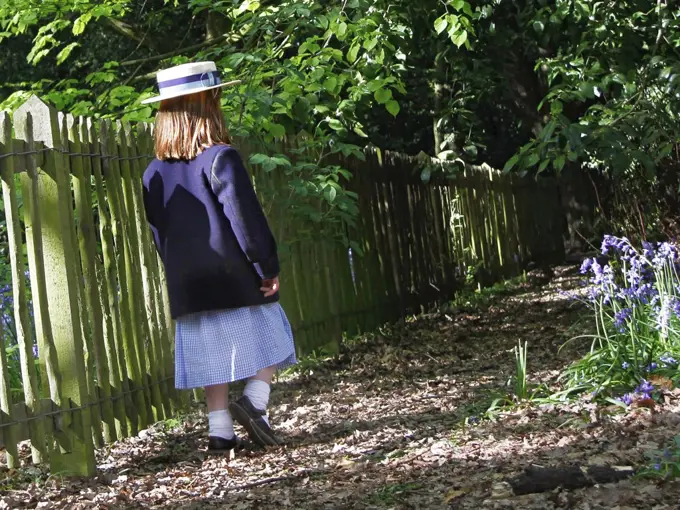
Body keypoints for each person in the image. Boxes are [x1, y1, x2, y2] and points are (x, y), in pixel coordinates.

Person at [141, 61, 297, 453]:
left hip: (187, 282)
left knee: (212, 352)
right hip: (233, 275)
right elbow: (246, 221)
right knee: (275, 334)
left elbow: (160, 234)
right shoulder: (220, 158)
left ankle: (220, 431)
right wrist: (267, 268)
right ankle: (255, 401)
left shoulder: (151, 174)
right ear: (208, 103)